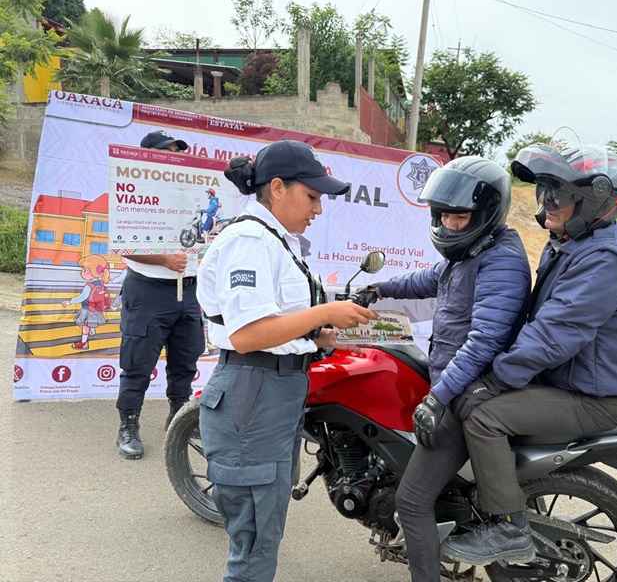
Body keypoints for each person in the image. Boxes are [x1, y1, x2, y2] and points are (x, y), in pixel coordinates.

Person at [439, 142, 617, 566]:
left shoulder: (603, 258)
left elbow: (553, 335)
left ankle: (510, 527)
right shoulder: (572, 243)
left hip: (590, 399)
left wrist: (495, 379)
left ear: (594, 202)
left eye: (560, 194)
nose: (547, 202)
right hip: (569, 380)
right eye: (546, 191)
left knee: (483, 416)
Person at [197, 139, 379, 582]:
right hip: (254, 393)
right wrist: (323, 313)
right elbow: (248, 335)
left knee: (265, 532)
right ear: (277, 187)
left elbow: (277, 321)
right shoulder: (249, 240)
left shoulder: (277, 240)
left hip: (275, 392)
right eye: (312, 196)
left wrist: (320, 337)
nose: (318, 208)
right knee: (254, 546)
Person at [355, 156, 532, 581]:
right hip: (456, 385)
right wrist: (378, 288)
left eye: (460, 217)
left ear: (487, 213)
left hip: (468, 393)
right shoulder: (471, 252)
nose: (450, 225)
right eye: (443, 215)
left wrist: (438, 397)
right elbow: (428, 279)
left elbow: (484, 341)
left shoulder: (501, 261)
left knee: (412, 501)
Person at [115, 130, 205, 460]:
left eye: (179, 152)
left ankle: (178, 418)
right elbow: (123, 244)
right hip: (148, 289)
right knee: (137, 362)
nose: (176, 157)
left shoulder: (191, 195)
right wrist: (163, 259)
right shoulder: (132, 193)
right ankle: (128, 426)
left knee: (185, 360)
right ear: (149, 156)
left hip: (188, 290)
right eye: (169, 151)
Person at [61, 254, 112, 350]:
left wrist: (70, 302)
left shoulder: (89, 285)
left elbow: (82, 297)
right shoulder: (100, 282)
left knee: (85, 325)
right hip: (96, 308)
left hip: (87, 309)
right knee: (90, 323)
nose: (81, 272)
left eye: (83, 269)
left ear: (87, 271)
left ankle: (84, 343)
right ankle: (92, 328)